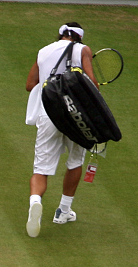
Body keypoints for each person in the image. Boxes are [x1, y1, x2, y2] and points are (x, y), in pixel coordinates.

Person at [24, 23, 96, 238]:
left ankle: (35, 201)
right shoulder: (83, 50)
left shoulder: (43, 51)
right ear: (79, 38)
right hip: (75, 115)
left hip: (49, 115)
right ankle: (63, 211)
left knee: (41, 169)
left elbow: (30, 85)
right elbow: (93, 84)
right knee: (75, 162)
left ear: (61, 34)